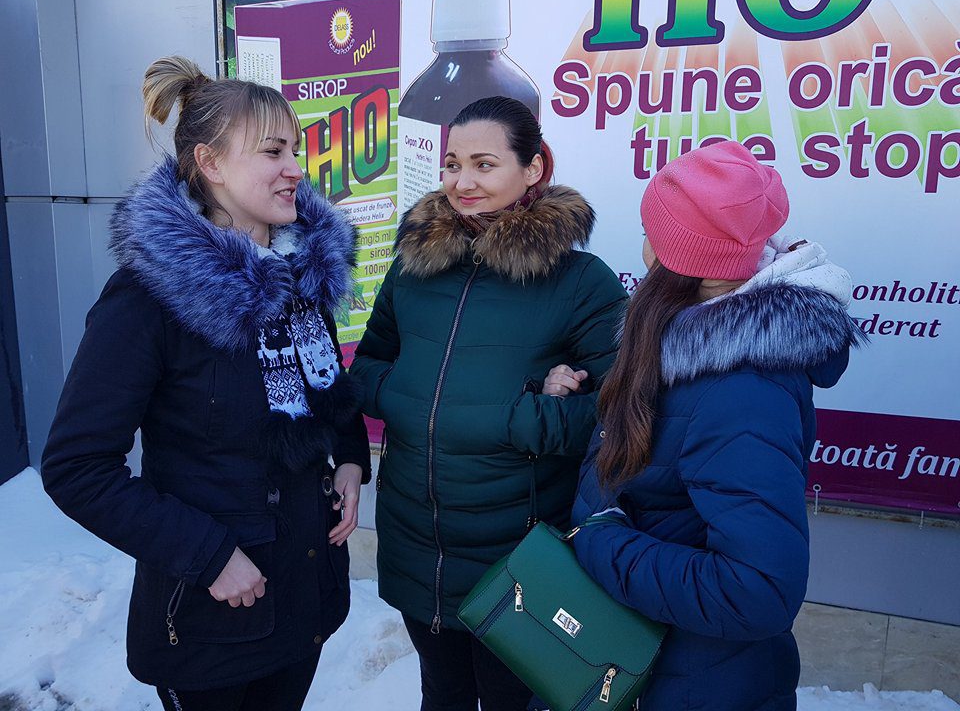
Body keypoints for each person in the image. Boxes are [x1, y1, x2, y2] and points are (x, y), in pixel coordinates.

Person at [40, 56, 370, 711]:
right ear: (210, 163)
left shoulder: (297, 277)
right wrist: (208, 554)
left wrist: (352, 459)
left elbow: (327, 388)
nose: (296, 169)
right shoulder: (147, 299)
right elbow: (77, 468)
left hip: (303, 598)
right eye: (273, 151)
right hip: (210, 621)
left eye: (296, 149)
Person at [566, 140, 865, 710]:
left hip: (697, 685)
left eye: (651, 230)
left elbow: (759, 591)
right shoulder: (681, 346)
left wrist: (604, 543)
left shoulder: (742, 392)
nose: (644, 243)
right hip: (645, 662)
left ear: (681, 260)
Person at [350, 96, 626, 710]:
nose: (463, 182)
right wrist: (408, 397)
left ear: (533, 169)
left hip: (518, 557)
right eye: (452, 164)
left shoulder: (581, 281)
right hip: (416, 540)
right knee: (441, 694)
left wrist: (531, 419)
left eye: (484, 164)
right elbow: (367, 366)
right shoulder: (414, 267)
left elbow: (623, 410)